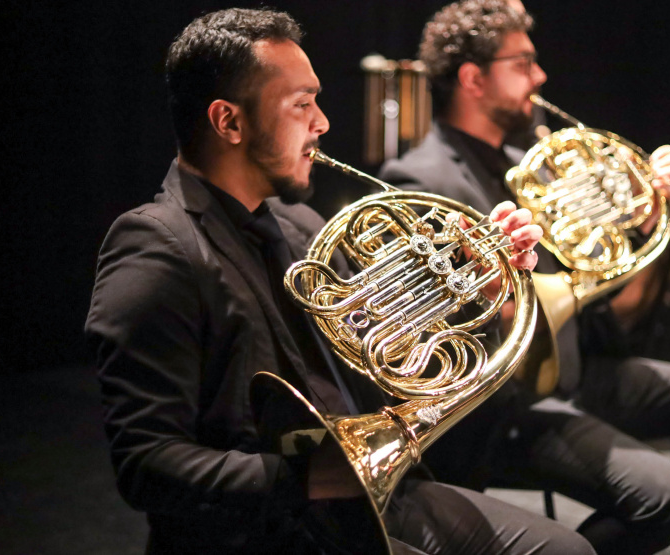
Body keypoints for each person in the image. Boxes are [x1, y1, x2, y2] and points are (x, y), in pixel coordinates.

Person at [85, 7, 597, 554]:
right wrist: (311, 476)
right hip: (266, 530)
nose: (323, 123)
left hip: (376, 499)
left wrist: (481, 290)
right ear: (229, 122)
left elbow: (399, 359)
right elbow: (146, 463)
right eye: (301, 104)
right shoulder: (155, 246)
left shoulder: (300, 224)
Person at [379, 1, 670, 554]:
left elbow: (593, 282)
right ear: (473, 79)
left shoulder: (529, 158)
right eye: (522, 64)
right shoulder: (419, 178)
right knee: (664, 496)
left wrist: (643, 220)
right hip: (503, 404)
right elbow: (433, 333)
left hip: (571, 368)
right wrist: (496, 292)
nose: (540, 77)